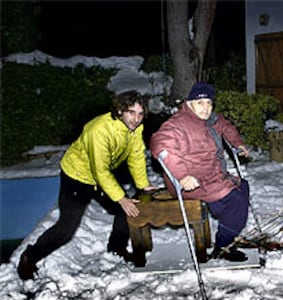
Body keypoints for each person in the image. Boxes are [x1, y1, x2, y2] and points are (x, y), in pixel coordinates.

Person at [17, 90, 157, 280]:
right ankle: (29, 257)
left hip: (100, 179)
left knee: (126, 209)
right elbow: (100, 170)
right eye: (131, 112)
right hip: (77, 177)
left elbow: (136, 155)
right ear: (119, 110)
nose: (136, 119)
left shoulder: (134, 129)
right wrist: (121, 198)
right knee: (66, 228)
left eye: (140, 114)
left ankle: (115, 250)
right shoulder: (99, 130)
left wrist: (142, 185)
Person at [150, 82, 250, 262]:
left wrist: (238, 143)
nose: (206, 108)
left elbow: (226, 126)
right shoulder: (177, 125)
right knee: (234, 200)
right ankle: (224, 246)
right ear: (189, 104)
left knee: (243, 186)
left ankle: (228, 229)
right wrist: (182, 176)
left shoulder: (211, 119)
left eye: (209, 103)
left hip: (213, 176)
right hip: (191, 181)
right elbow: (161, 145)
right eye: (200, 103)